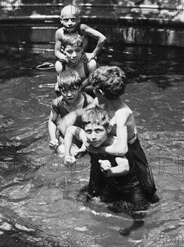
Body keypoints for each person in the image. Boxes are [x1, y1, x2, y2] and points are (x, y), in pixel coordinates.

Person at [63, 66, 158, 205]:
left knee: (145, 193)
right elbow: (87, 124)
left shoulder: (122, 113)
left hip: (129, 152)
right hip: (103, 147)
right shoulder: (99, 102)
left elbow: (121, 148)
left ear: (100, 91)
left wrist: (95, 149)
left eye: (94, 88)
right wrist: (84, 146)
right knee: (95, 191)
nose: (91, 89)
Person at [64, 106, 151, 236]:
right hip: (103, 176)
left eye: (98, 131)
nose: (93, 136)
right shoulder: (88, 139)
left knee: (138, 214)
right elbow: (70, 130)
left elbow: (125, 166)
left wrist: (110, 170)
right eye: (89, 131)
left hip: (129, 184)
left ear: (108, 129)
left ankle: (134, 228)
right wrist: (67, 155)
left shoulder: (115, 145)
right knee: (92, 198)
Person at [48, 70, 94, 154]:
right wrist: (53, 139)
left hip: (84, 134)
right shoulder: (57, 103)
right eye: (65, 91)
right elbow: (52, 121)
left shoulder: (89, 102)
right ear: (60, 90)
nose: (69, 94)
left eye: (73, 90)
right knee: (61, 151)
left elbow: (94, 124)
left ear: (79, 87)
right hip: (66, 134)